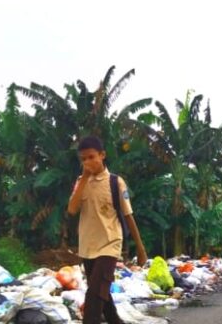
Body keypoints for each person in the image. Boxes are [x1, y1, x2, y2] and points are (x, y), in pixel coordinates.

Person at [67, 135, 148, 324]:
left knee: (94, 295)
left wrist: (141, 249)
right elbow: (71, 209)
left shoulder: (116, 182)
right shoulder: (81, 182)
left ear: (102, 155)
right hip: (87, 247)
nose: (87, 162)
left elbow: (128, 216)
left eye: (91, 157)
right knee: (103, 296)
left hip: (110, 244)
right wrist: (85, 178)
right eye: (83, 159)